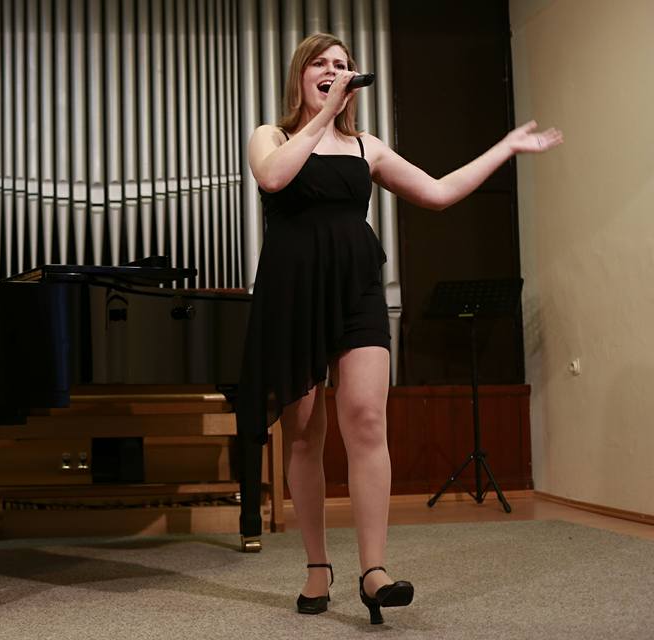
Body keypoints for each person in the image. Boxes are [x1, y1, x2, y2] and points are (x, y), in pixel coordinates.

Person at [236, 33, 562, 624]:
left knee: (366, 419)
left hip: (358, 289)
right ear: (300, 75)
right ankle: (317, 566)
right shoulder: (272, 136)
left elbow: (438, 193)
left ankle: (373, 571)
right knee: (305, 433)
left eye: (343, 64)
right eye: (321, 64)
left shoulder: (367, 147)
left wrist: (505, 148)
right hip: (294, 294)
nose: (334, 70)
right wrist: (324, 118)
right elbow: (274, 179)